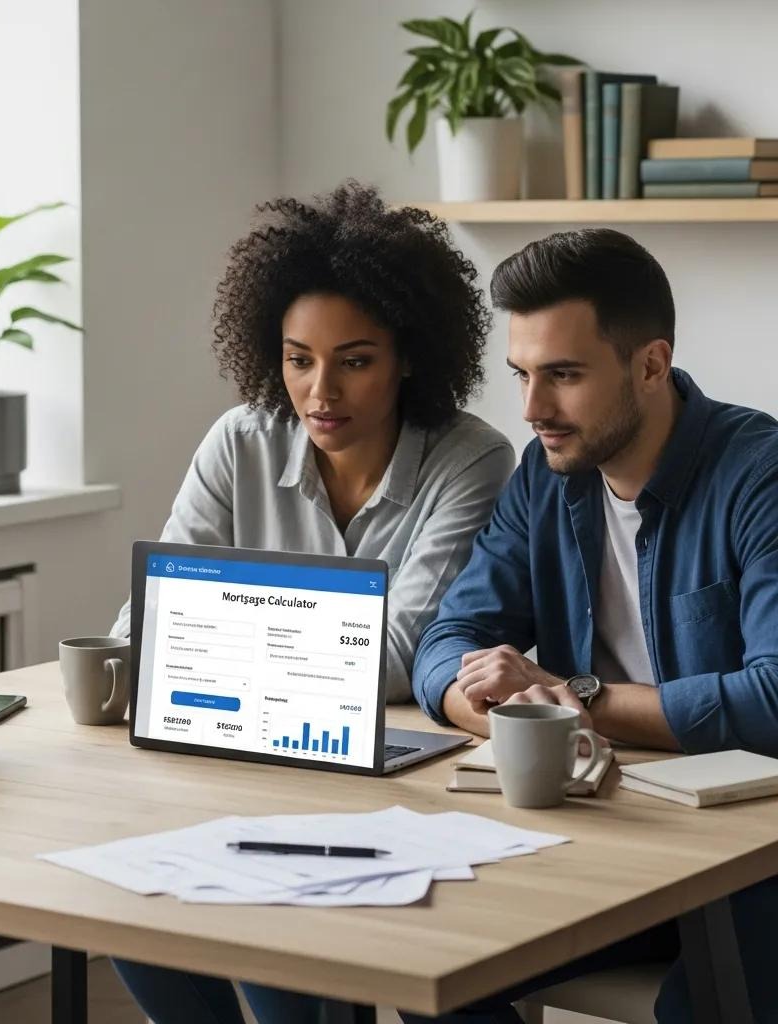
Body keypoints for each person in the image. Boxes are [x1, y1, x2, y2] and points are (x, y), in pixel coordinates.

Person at [109, 181, 514, 1023]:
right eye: (299, 359)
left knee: (278, 944)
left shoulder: (471, 459)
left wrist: (220, 636)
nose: (320, 390)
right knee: (132, 905)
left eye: (354, 360)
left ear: (408, 356)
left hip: (396, 797)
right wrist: (285, 649)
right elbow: (146, 624)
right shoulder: (239, 441)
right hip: (236, 773)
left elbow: (401, 655)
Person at [410, 227, 778, 1023]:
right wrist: (510, 715)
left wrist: (572, 698)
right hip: (609, 834)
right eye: (523, 376)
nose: (534, 409)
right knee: (418, 956)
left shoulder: (760, 476)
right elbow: (443, 644)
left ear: (650, 364)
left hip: (750, 857)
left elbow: (776, 697)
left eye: (564, 376)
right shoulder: (545, 474)